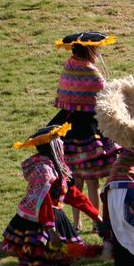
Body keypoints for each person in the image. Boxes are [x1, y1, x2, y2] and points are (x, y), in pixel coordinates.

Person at [1, 123, 103, 266]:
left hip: (48, 224)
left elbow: (72, 195)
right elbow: (45, 201)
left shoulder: (52, 167)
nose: (62, 143)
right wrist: (51, 231)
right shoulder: (45, 170)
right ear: (52, 145)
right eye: (59, 141)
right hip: (50, 225)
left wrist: (96, 216)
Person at [48, 32, 120, 231]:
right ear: (89, 50)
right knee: (92, 179)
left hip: (68, 125)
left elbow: (64, 92)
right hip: (88, 128)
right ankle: (97, 222)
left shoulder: (68, 66)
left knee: (75, 179)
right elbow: (105, 95)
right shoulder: (91, 72)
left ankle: (77, 223)